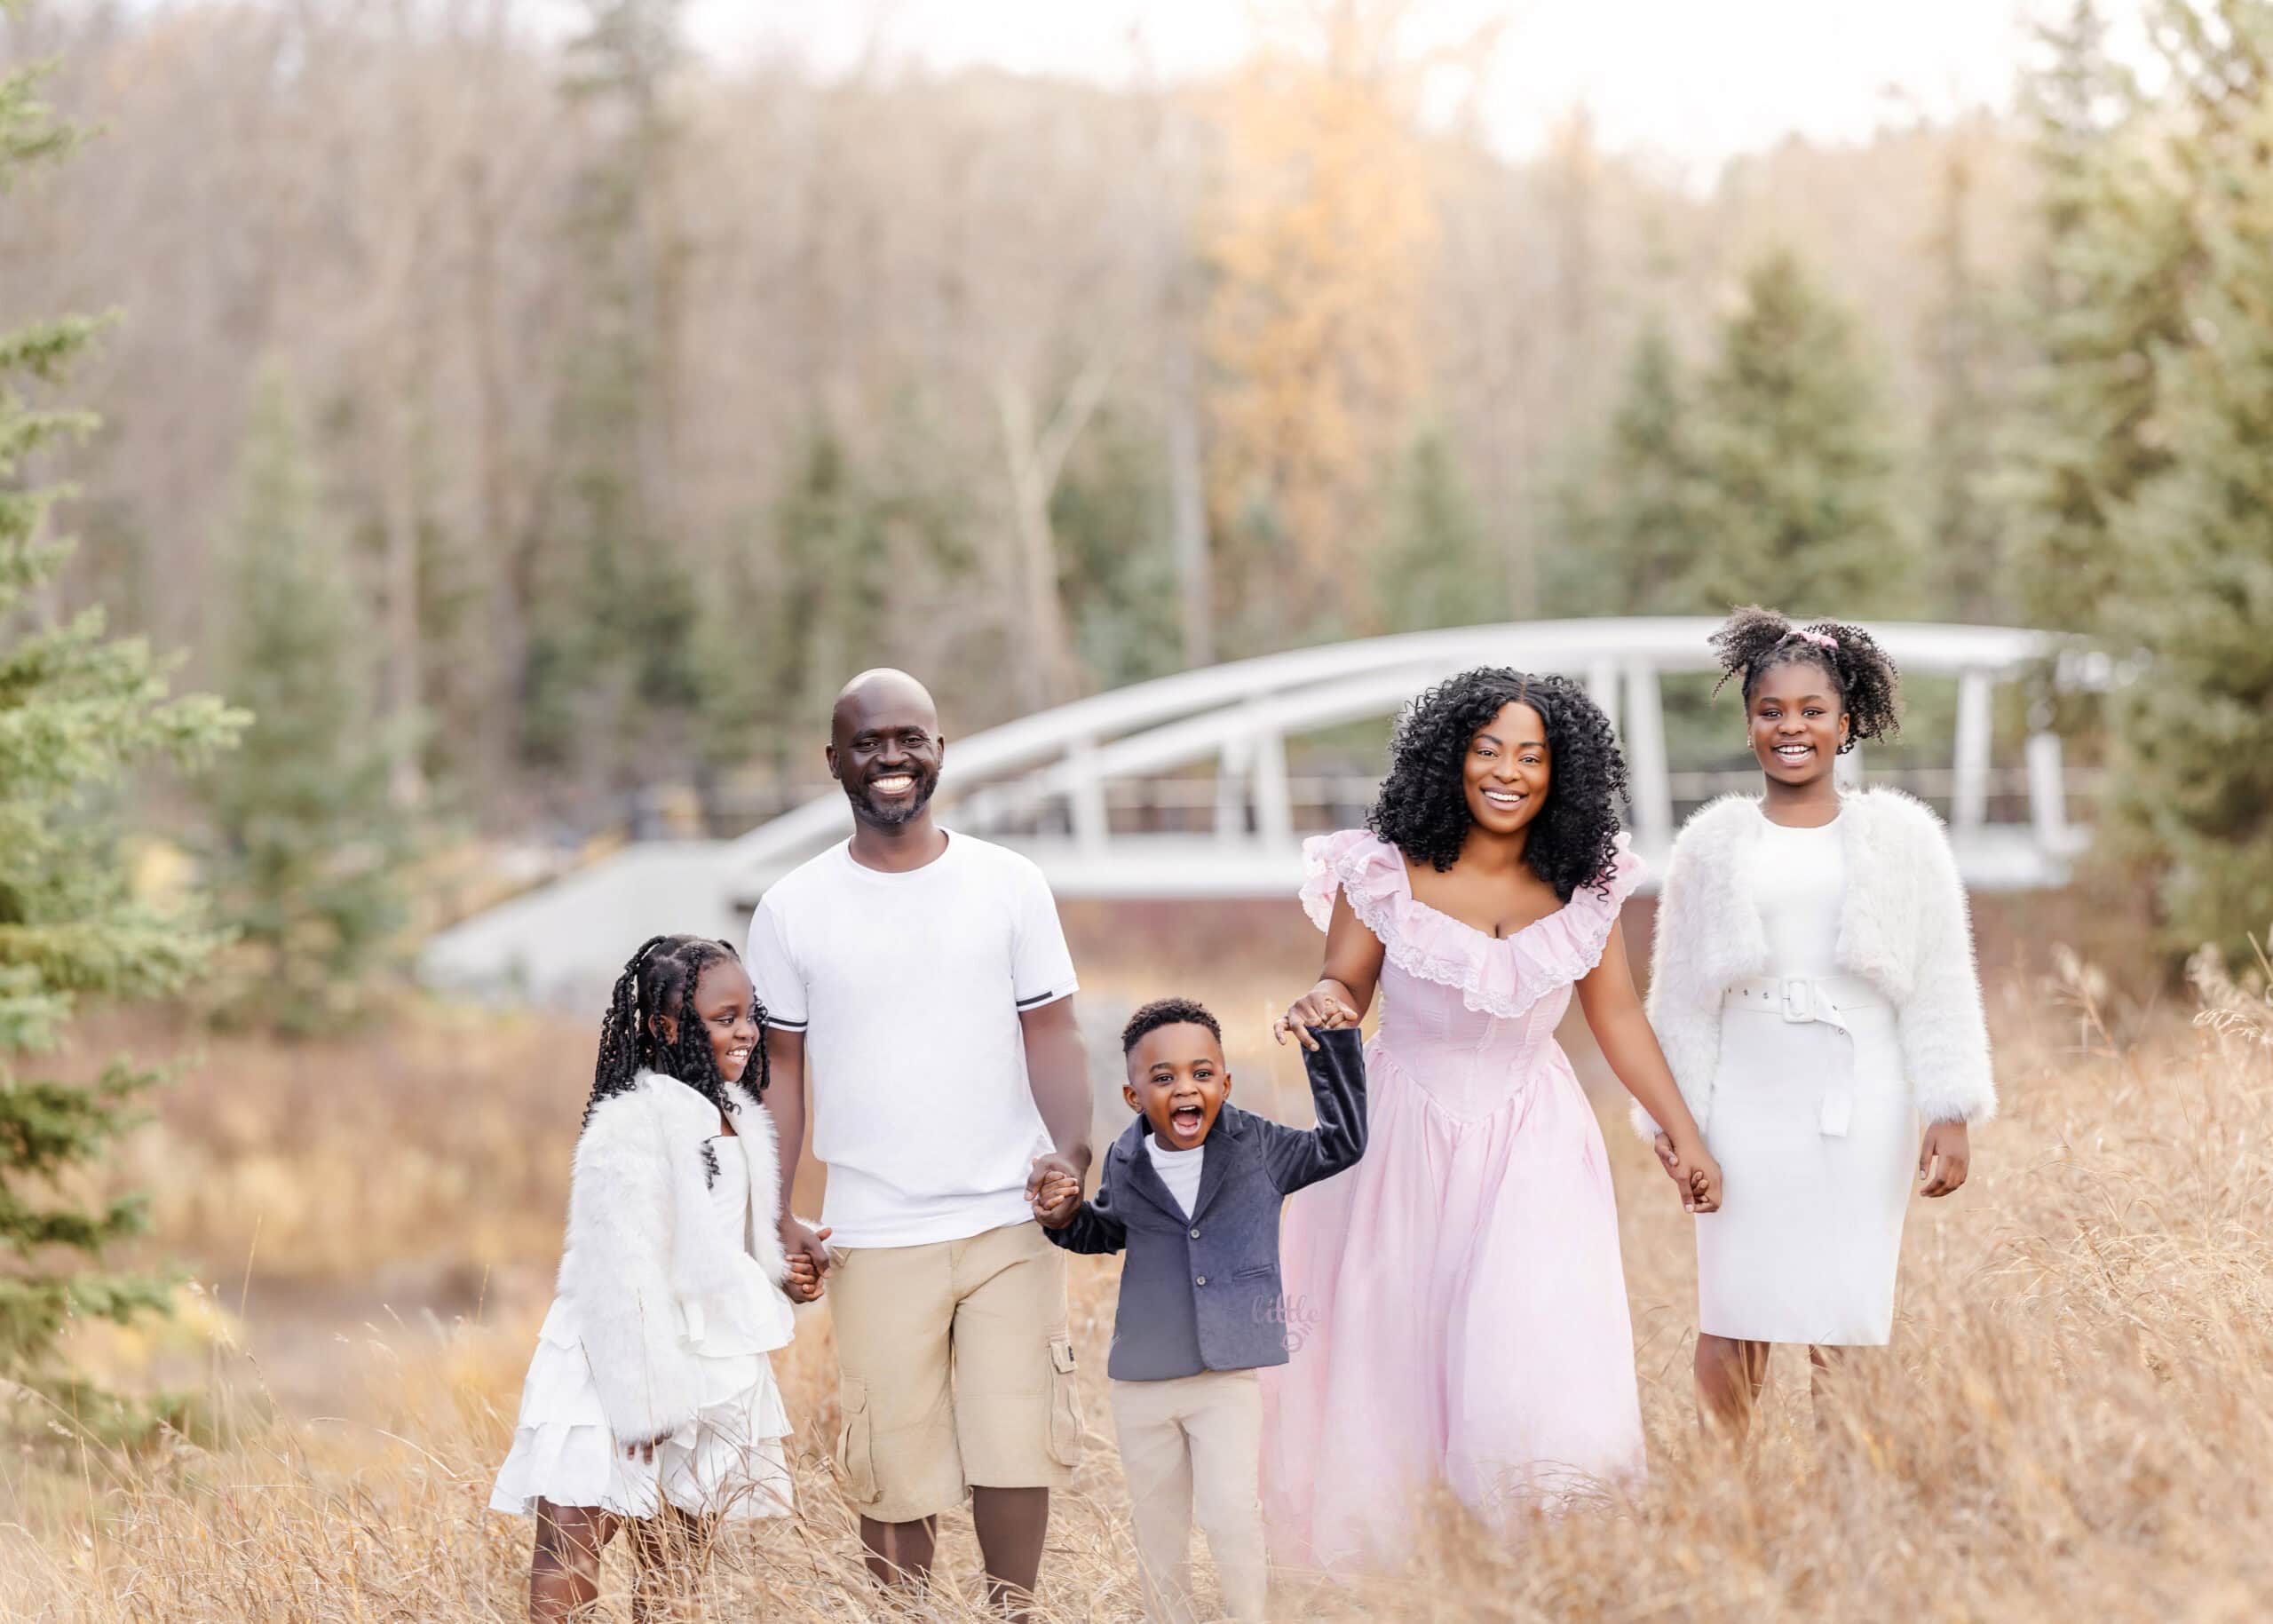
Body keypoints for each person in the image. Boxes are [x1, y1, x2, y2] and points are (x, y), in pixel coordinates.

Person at [1263, 668, 1721, 1572]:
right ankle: (1395, 1568)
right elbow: (1344, 981)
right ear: (1450, 757)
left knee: (1527, 1343)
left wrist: (1681, 1130)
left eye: (1532, 755)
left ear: (1561, 773)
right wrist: (1322, 1001)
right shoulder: (1382, 868)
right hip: (1400, 1134)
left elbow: (1617, 1014)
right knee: (1395, 1348)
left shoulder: (1586, 882)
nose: (1508, 771)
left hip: (1533, 1136)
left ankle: (1537, 1563)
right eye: (1488, 749)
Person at [745, 668, 1093, 1619]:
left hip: (1006, 1216)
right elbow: (781, 1068)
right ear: (834, 762)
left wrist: (1071, 1153)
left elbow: (1052, 1030)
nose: (890, 757)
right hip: (872, 1222)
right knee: (891, 1460)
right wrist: (773, 1212)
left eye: (910, 737)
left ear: (940, 749)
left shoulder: (1010, 884)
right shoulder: (791, 907)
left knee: (1014, 1440)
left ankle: (1008, 1612)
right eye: (867, 741)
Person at [1637, 608, 1994, 1438]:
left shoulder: (1904, 836)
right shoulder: (1712, 843)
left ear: (1846, 721)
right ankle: (1724, 1510)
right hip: (1745, 1103)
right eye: (1771, 711)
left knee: (1849, 1312)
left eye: (1811, 711)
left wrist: (1949, 1107)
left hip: (1860, 1096)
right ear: (1749, 721)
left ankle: (1849, 1513)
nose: (1790, 727)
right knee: (1734, 1311)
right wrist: (1674, 1120)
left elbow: (1941, 974)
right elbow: (1682, 992)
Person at [490, 933, 824, 1623]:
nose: (745, 1031)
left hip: (706, 1361)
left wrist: (787, 1269)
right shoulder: (632, 1122)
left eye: (748, 1013)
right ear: (666, 1026)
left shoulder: (736, 1117)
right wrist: (641, 1397)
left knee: (674, 1558)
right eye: (723, 1016)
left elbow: (728, 1244)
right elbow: (617, 1269)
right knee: (573, 1539)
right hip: (621, 1365)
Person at [1034, 999, 1367, 1624]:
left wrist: (1329, 1047)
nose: (1185, 1087)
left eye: (1201, 1072)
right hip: (1143, 1380)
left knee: (1229, 1512)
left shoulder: (1259, 1145)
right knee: (1158, 1526)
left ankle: (1250, 1614)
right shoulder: (1127, 1158)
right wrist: (1063, 1219)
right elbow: (1104, 1231)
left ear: (1224, 1081)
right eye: (1163, 1078)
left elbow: (1342, 1142)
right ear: (1135, 1096)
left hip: (1228, 1373)